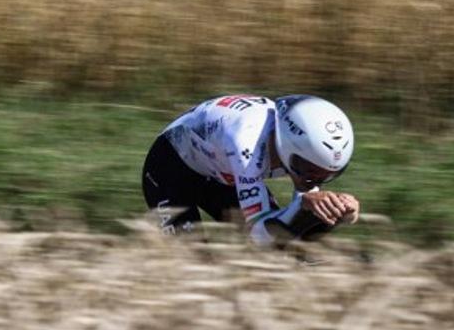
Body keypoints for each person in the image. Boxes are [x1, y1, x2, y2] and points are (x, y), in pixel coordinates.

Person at [142, 94, 360, 245]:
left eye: (327, 175)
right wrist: (303, 206)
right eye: (310, 170)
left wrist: (337, 213)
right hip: (170, 170)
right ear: (286, 145)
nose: (313, 181)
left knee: (284, 251)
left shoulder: (300, 151)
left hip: (220, 171)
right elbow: (261, 237)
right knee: (192, 261)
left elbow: (291, 240)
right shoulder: (246, 146)